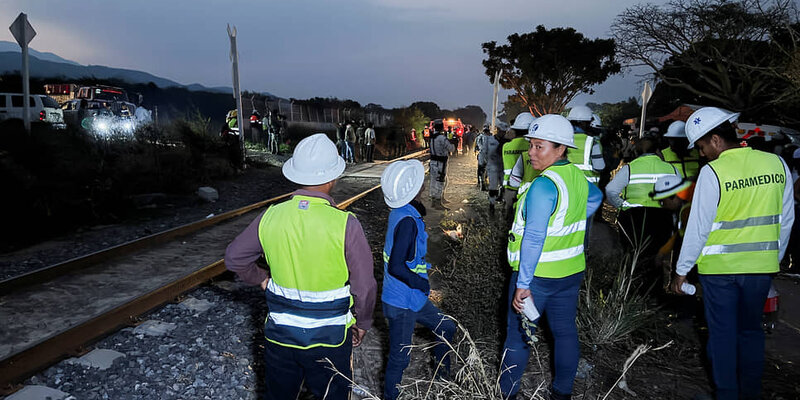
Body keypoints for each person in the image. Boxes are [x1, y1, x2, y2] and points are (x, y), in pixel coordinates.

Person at [224, 134, 377, 400]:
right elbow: (364, 286)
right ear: (333, 178)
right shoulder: (346, 224)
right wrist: (363, 321)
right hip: (330, 339)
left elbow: (234, 258)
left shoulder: (270, 215)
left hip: (281, 336)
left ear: (295, 175)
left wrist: (262, 279)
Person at [669, 107, 794, 400]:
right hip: (760, 268)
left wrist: (681, 270)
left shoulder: (713, 172)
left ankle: (726, 394)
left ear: (715, 140)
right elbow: (786, 220)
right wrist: (772, 259)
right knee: (751, 332)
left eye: (701, 146)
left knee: (722, 335)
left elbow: (698, 228)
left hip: (719, 271)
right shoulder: (777, 163)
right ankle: (749, 394)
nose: (701, 154)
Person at [501, 115, 603, 400]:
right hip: (570, 273)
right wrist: (568, 219)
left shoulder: (543, 185)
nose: (532, 152)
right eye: (531, 145)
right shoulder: (577, 176)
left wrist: (523, 283)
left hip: (537, 279)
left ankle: (507, 394)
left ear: (560, 148)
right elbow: (595, 197)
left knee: (517, 339)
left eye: (539, 147)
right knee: (565, 333)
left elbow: (533, 239)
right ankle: (561, 394)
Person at [380, 160, 456, 400]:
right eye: (420, 179)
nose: (424, 181)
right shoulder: (407, 222)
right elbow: (396, 265)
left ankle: (443, 379)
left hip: (410, 298)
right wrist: (421, 283)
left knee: (446, 327)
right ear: (412, 188)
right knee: (399, 357)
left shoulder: (402, 214)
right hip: (403, 301)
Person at [605, 136, 678, 255]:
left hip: (633, 216)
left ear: (636, 152)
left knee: (632, 252)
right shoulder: (671, 169)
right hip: (662, 216)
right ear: (657, 151)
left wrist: (622, 205)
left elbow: (610, 190)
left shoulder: (629, 168)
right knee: (657, 254)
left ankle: (633, 272)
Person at [649, 174, 694, 290]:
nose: (662, 206)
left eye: (663, 202)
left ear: (673, 196)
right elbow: (678, 235)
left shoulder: (688, 211)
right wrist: (662, 252)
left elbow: (689, 242)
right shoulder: (685, 208)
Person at [503, 112, 537, 219]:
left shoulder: (506, 146)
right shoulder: (533, 147)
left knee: (509, 219)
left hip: (509, 187)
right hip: (530, 188)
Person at [565, 105, 605, 185]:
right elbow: (599, 167)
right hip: (588, 190)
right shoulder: (593, 142)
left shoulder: (563, 140)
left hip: (567, 186)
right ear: (586, 123)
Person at [429, 120, 455, 210]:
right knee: (440, 182)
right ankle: (438, 202)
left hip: (433, 162)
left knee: (433, 181)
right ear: (441, 127)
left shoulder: (432, 137)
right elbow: (451, 149)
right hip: (440, 163)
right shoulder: (441, 138)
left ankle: (434, 200)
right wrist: (453, 142)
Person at [479, 127, 505, 213]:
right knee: (493, 186)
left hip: (504, 167)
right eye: (501, 131)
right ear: (498, 130)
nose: (502, 133)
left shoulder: (506, 141)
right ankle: (492, 204)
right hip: (492, 166)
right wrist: (481, 163)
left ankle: (504, 203)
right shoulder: (489, 140)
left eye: (504, 132)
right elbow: (483, 151)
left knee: (504, 186)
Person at [476, 126, 491, 190]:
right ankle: (482, 182)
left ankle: (481, 182)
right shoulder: (489, 137)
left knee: (481, 169)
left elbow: (477, 145)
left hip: (482, 155)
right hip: (485, 155)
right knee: (483, 169)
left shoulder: (479, 137)